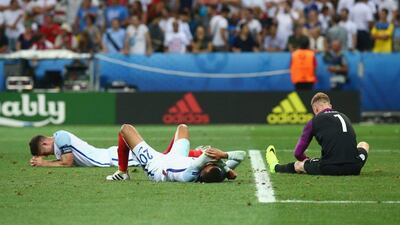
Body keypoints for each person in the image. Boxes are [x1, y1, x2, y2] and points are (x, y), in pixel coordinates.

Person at [266, 92, 369, 176]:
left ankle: (275, 167)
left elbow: (297, 153)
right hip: (355, 167)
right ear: (330, 106)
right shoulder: (344, 116)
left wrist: (306, 161)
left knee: (299, 165)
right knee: (364, 144)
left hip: (330, 167)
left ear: (315, 109)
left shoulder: (313, 121)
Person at [106, 124, 246, 182]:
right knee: (182, 127)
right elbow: (242, 155)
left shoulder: (190, 174)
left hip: (157, 166)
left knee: (125, 129)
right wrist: (226, 167)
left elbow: (207, 155)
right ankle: (181, 152)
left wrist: (219, 157)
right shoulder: (218, 172)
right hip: (177, 157)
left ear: (203, 169)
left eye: (209, 164)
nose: (211, 162)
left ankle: (122, 172)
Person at [29, 130, 139, 167]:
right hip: (108, 155)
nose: (48, 156)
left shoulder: (60, 137)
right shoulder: (58, 146)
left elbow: (67, 163)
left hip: (110, 158)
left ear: (44, 143)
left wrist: (44, 163)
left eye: (45, 153)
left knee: (149, 161)